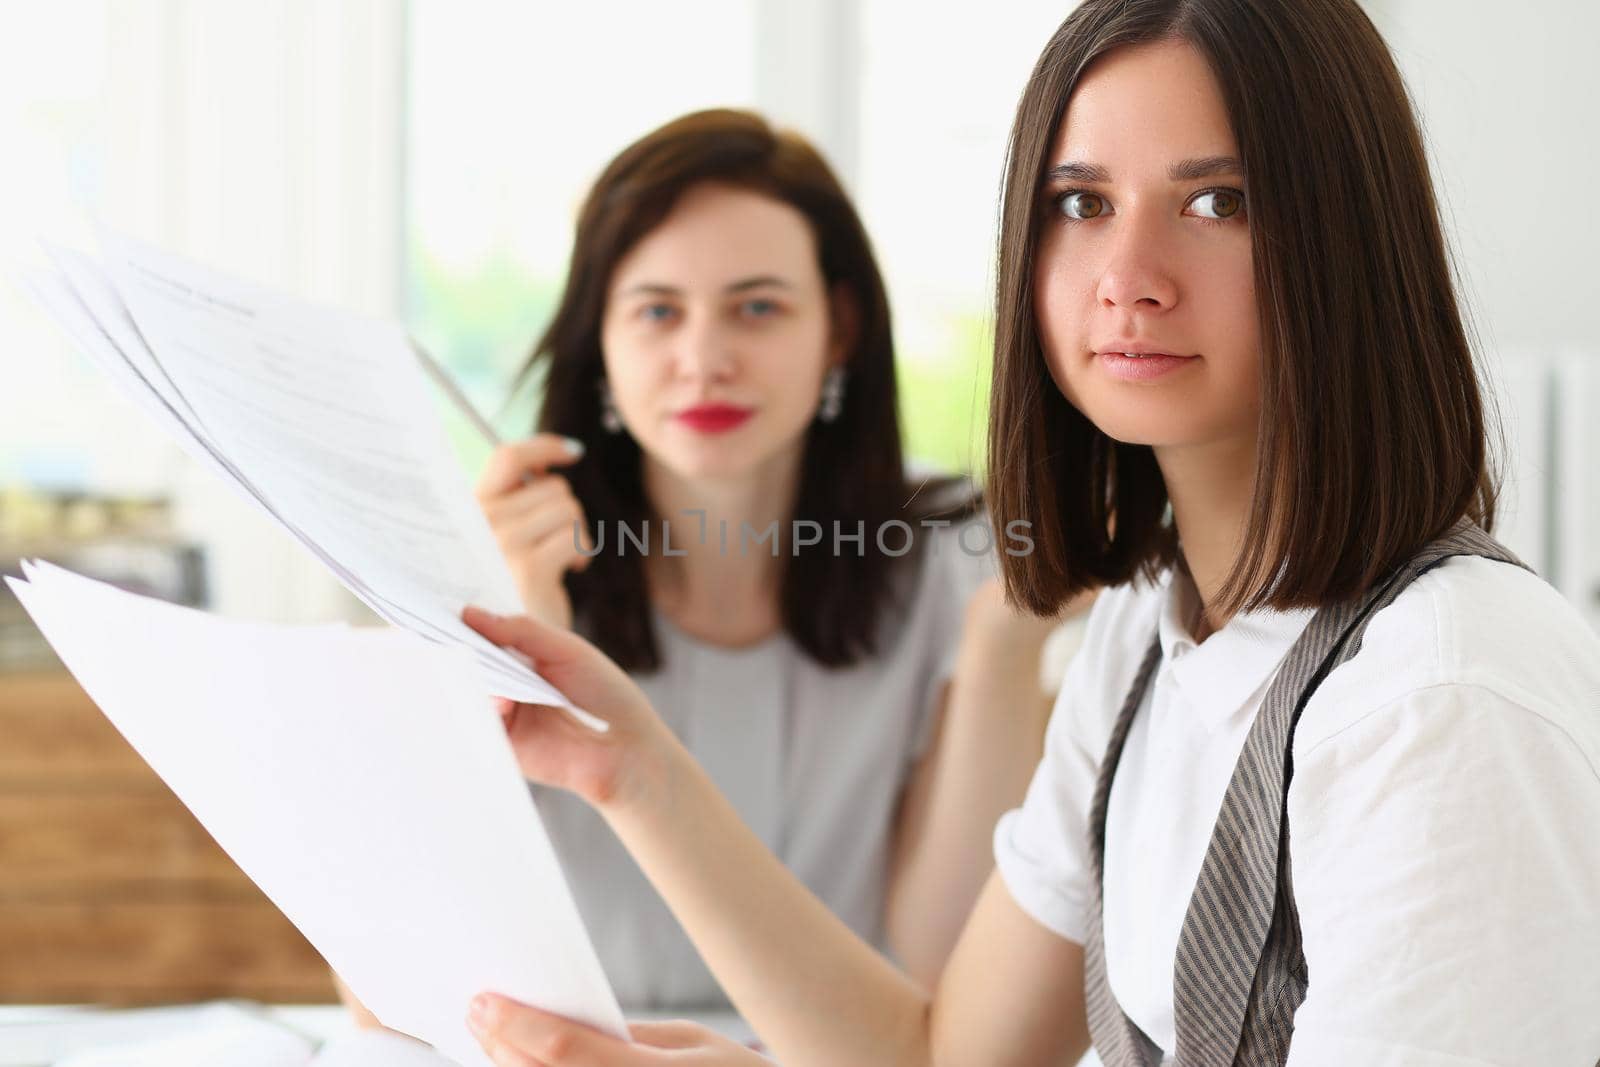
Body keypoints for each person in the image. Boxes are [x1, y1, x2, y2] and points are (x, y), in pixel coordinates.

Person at [456, 1, 1600, 1065]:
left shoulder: (1437, 691)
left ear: (1348, 244)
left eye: (1219, 201)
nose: (1126, 279)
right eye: (1080, 203)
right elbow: (949, 1051)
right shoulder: (1151, 631)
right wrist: (633, 766)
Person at [335, 109, 1076, 1024]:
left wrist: (1003, 643)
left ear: (838, 330)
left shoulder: (943, 558)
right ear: (599, 343)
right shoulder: (496, 547)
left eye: (757, 307)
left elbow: (953, 976)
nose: (704, 360)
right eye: (656, 312)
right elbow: (380, 993)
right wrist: (505, 628)